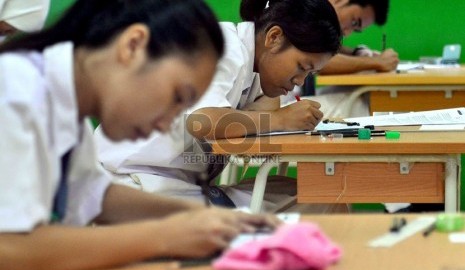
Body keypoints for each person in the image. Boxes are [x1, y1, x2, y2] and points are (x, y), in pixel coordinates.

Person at [0, 0, 280, 270]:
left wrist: (204, 216)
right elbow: (9, 249)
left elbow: (93, 195)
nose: (166, 124)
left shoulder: (64, 103)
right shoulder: (17, 94)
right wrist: (165, 235)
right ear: (133, 45)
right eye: (177, 97)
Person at [95, 0, 343, 213]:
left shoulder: (257, 64)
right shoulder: (223, 48)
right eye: (301, 67)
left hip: (177, 186)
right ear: (274, 37)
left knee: (320, 192)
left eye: (309, 74)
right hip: (133, 188)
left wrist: (268, 109)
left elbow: (266, 102)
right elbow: (203, 121)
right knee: (318, 199)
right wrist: (280, 120)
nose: (300, 81)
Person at [294, 0, 400, 119]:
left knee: (363, 93)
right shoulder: (304, 10)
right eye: (354, 22)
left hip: (292, 98)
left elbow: (323, 49)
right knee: (368, 104)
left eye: (355, 29)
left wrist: (356, 52)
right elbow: (319, 60)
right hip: (281, 109)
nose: (347, 33)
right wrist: (377, 62)